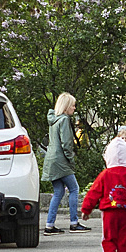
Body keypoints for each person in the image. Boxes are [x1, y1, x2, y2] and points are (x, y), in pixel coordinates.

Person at [42, 92, 91, 235]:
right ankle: (74, 223)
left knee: (58, 192)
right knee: (74, 189)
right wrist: (71, 159)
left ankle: (49, 225)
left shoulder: (53, 120)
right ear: (66, 106)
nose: (74, 108)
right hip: (61, 160)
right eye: (73, 105)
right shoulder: (63, 120)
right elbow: (66, 143)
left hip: (51, 160)